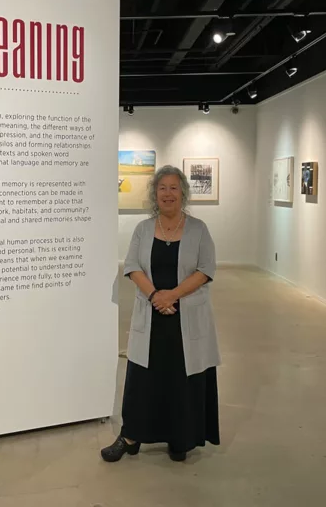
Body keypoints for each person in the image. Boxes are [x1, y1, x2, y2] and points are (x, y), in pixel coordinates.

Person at [101, 165, 221, 462]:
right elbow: (132, 266)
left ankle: (179, 438)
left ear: (183, 193)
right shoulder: (143, 228)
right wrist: (156, 296)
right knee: (143, 379)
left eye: (174, 188)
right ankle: (130, 437)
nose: (168, 193)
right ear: (155, 194)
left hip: (186, 315)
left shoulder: (198, 229)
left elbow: (206, 270)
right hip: (153, 315)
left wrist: (172, 295)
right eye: (162, 188)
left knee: (182, 379)